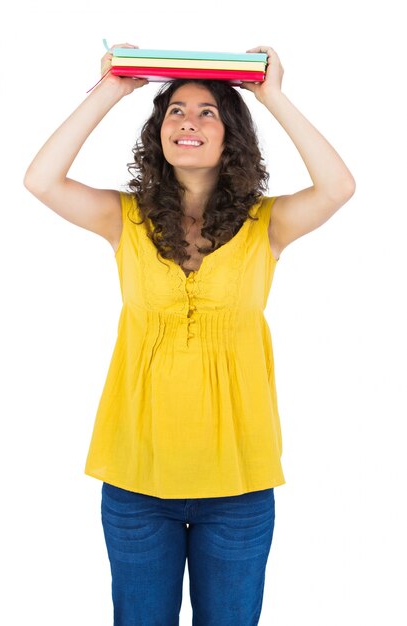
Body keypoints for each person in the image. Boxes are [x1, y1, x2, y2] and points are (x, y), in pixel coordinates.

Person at [24, 42, 355, 626]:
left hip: (237, 486)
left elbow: (338, 187)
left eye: (208, 112)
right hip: (135, 483)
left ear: (231, 136)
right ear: (159, 133)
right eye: (176, 110)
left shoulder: (266, 225)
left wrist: (271, 94)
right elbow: (41, 179)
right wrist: (114, 87)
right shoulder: (122, 217)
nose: (189, 122)